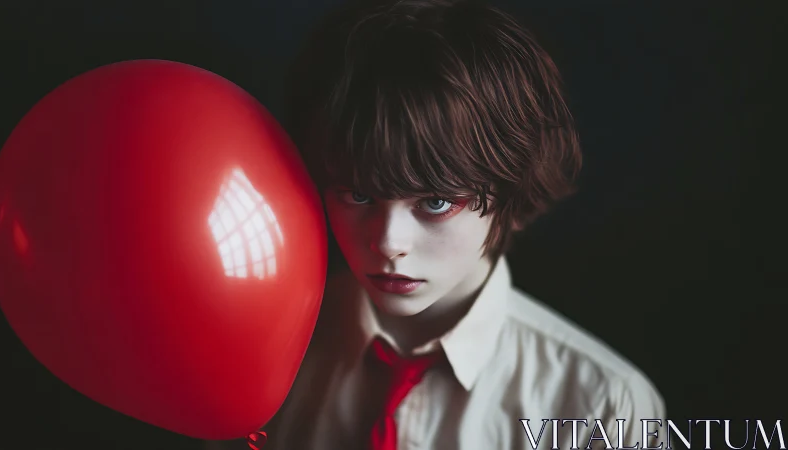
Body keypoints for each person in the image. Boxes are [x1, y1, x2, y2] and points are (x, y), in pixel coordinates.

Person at [207, 0, 665, 448]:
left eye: (436, 201)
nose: (388, 242)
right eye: (358, 194)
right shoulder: (263, 354)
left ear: (509, 189)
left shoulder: (602, 406)